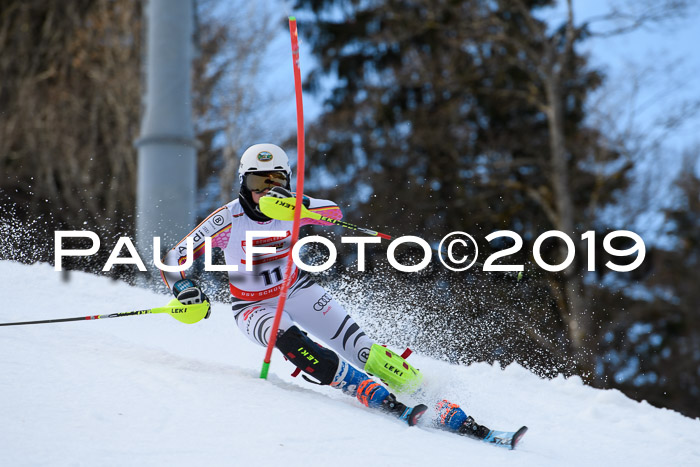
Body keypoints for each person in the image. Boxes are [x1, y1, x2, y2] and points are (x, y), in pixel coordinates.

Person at [160, 143, 512, 441]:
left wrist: (296, 205)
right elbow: (173, 259)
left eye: (275, 181)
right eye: (257, 181)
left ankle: (435, 400)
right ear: (242, 182)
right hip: (252, 307)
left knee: (362, 349)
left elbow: (335, 213)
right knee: (289, 338)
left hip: (298, 289)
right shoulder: (227, 220)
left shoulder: (293, 206)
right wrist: (184, 286)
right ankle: (358, 386)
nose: (264, 190)